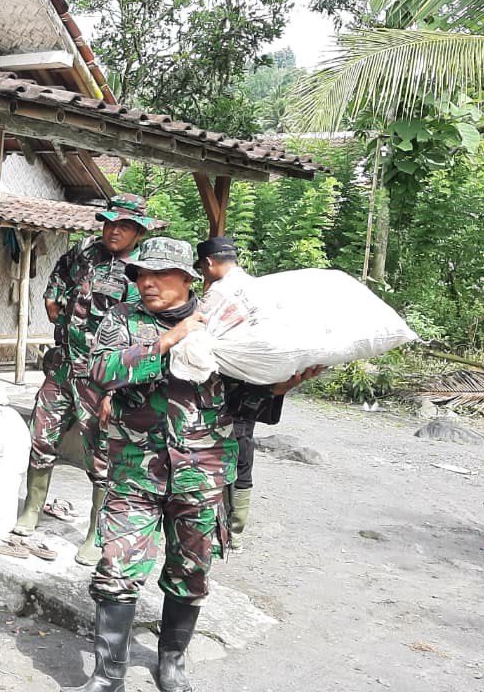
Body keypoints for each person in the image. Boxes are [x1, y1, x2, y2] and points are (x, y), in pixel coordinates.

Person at [67, 237, 319, 692]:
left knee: (191, 570)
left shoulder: (222, 323)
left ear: (187, 278)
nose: (147, 283)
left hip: (201, 473)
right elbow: (101, 372)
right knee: (116, 569)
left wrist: (276, 388)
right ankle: (107, 676)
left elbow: (240, 402)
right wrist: (166, 342)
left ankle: (172, 662)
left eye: (159, 274)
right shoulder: (122, 319)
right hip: (134, 469)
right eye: (141, 274)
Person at [12, 194, 158, 566]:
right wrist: (53, 297)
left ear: (138, 231)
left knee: (103, 456)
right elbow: (60, 274)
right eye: (109, 223)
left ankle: (97, 531)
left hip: (102, 379)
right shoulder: (85, 251)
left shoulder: (143, 271)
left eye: (123, 226)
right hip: (63, 366)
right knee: (40, 437)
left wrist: (118, 388)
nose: (113, 231)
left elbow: (143, 335)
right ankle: (32, 509)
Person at [195, 236, 257, 547]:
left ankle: (220, 525)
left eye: (201, 270)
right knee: (244, 445)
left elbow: (198, 330)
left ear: (208, 263)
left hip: (224, 383)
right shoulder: (256, 287)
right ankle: (237, 528)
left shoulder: (218, 293)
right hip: (257, 382)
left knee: (216, 448)